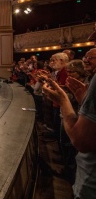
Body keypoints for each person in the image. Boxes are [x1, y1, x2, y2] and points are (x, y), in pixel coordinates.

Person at [41, 48, 96, 198]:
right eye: (85, 56)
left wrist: (62, 100)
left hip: (90, 182)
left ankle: (68, 173)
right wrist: (83, 100)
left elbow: (81, 141)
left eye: (90, 58)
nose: (86, 60)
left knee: (68, 145)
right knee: (64, 143)